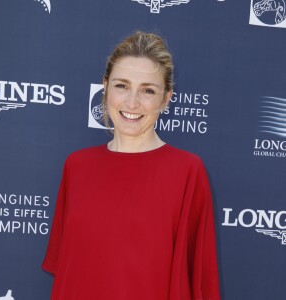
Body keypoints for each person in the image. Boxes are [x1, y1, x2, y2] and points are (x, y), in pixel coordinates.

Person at [42, 31, 221, 300]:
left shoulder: (187, 172)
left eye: (148, 90)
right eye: (122, 85)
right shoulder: (76, 167)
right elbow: (69, 272)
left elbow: (199, 282)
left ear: (166, 98)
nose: (132, 103)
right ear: (105, 86)